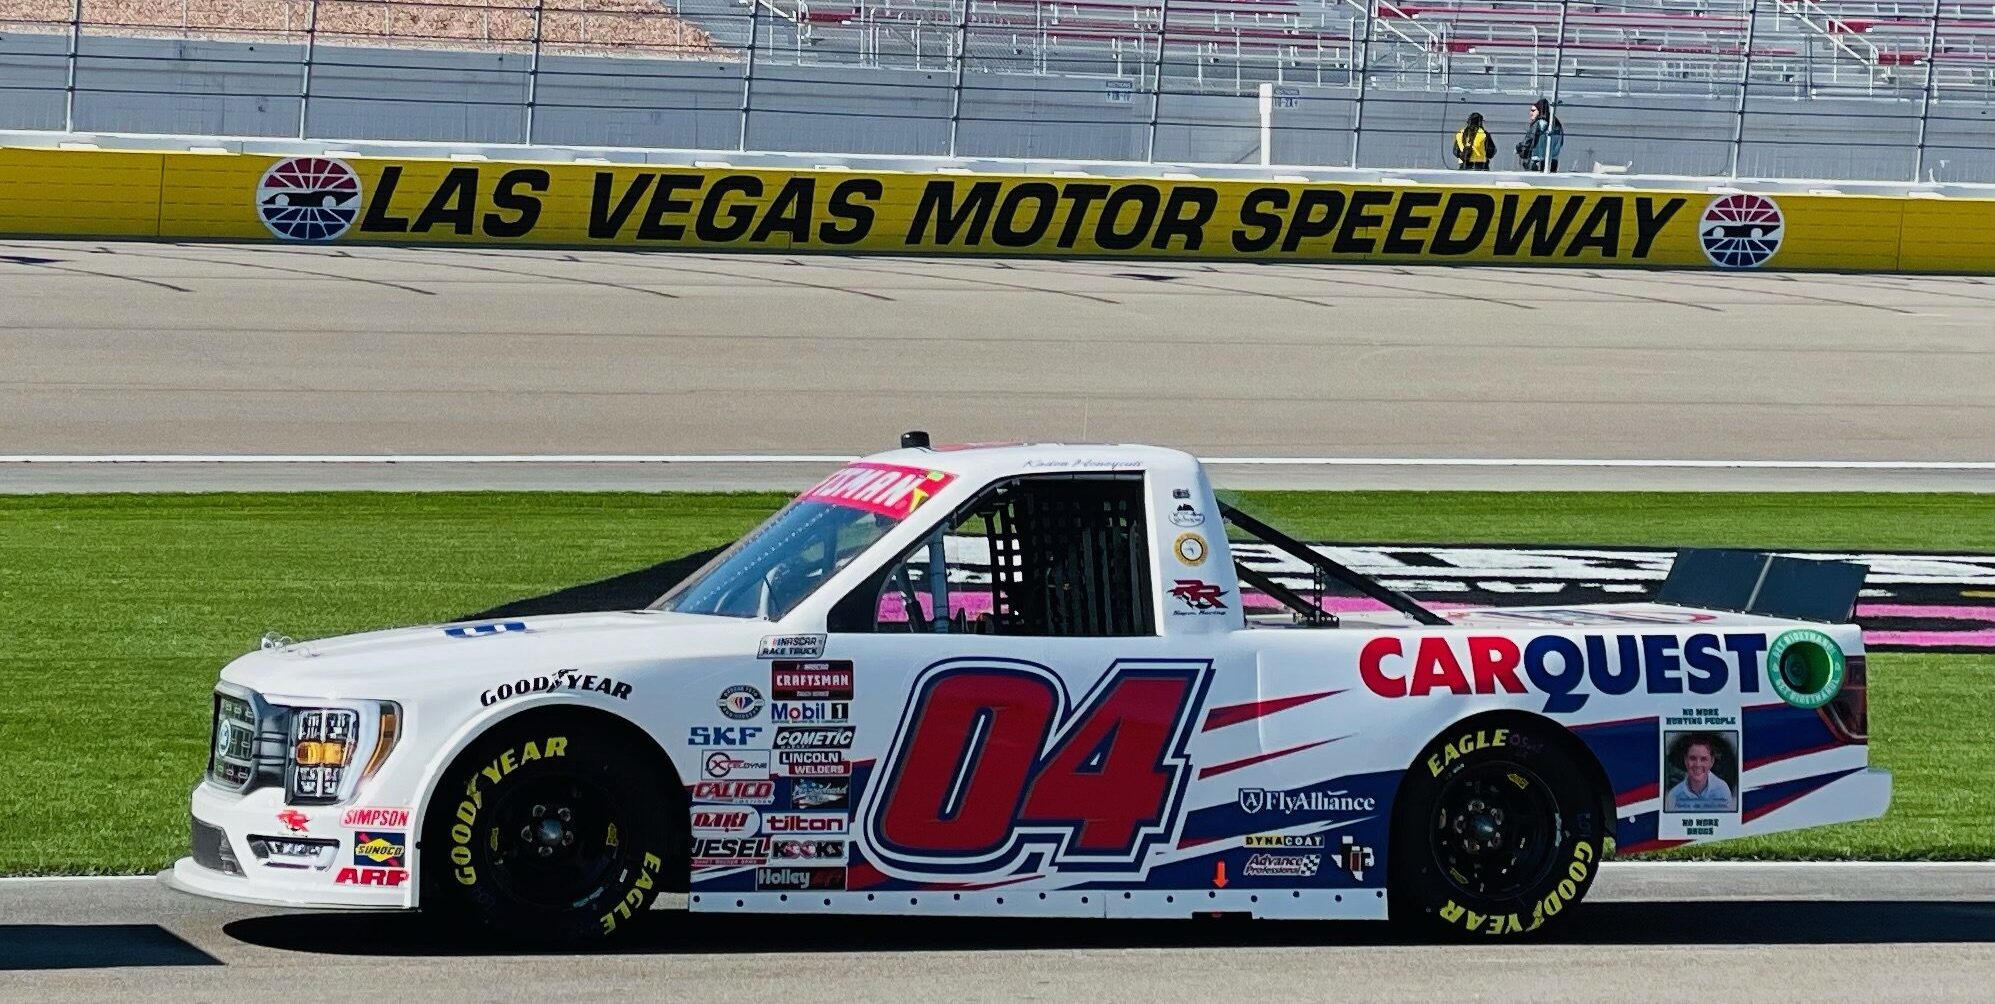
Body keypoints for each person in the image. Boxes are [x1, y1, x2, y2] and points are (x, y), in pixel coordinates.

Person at [1664, 736, 1736, 813]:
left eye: (1703, 759)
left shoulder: (1722, 790)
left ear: (1712, 761)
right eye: (1693, 758)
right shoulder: (1673, 795)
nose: (1698, 764)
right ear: (1685, 760)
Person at [1515, 97, 1564, 172]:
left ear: (1540, 110)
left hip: (1537, 162)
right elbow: (1560, 143)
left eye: (1533, 110)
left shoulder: (1539, 124)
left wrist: (1521, 150)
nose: (1530, 113)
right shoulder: (1557, 125)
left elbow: (1529, 140)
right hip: (1553, 162)